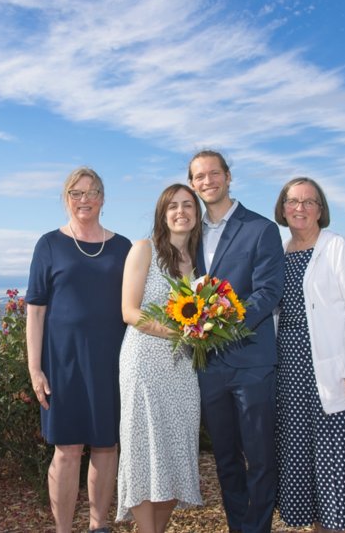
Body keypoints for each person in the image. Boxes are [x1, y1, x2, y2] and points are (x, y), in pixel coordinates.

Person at [272, 177, 345, 532]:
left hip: (334, 370)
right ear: (282, 207)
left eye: (309, 201)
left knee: (336, 460)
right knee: (301, 458)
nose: (300, 208)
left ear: (321, 209)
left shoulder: (337, 247)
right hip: (290, 370)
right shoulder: (281, 252)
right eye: (293, 201)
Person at [26, 167, 132, 533]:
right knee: (67, 450)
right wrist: (35, 369)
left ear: (103, 198)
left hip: (110, 362)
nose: (84, 199)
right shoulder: (49, 244)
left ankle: (98, 525)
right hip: (62, 364)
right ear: (66, 198)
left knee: (106, 446)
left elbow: (136, 304)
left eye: (92, 192)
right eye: (76, 193)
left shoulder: (123, 247)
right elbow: (36, 310)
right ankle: (63, 529)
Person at [187, 150, 284, 533]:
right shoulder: (190, 235)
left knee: (259, 457)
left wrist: (223, 324)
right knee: (225, 458)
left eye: (214, 173)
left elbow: (269, 292)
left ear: (228, 177)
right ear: (193, 184)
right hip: (209, 367)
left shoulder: (260, 229)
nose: (207, 181)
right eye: (199, 176)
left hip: (252, 363)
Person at [116, 184, 204, 532]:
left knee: (176, 452)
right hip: (144, 364)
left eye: (188, 205)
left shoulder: (200, 261)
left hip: (183, 368)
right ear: (162, 214)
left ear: (197, 214)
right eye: (173, 206)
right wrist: (179, 334)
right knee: (142, 451)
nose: (181, 211)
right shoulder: (144, 250)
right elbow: (128, 311)